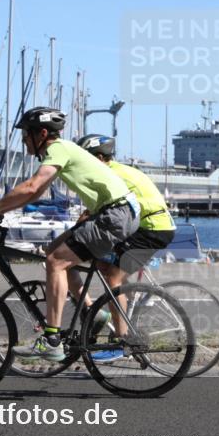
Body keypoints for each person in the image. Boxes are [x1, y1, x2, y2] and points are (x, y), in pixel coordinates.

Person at [0, 107, 138, 362]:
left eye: (26, 135)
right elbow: (35, 194)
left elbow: (32, 185)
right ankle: (91, 311)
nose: (24, 140)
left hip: (113, 215)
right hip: (114, 214)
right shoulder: (64, 150)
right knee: (52, 251)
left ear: (43, 134)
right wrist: (0, 210)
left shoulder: (57, 148)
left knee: (55, 262)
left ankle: (51, 340)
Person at [76, 134, 177, 362]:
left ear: (100, 158)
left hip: (152, 228)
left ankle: (122, 341)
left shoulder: (110, 175)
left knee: (113, 276)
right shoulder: (118, 170)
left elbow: (96, 212)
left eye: (87, 159)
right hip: (148, 226)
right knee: (103, 265)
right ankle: (123, 308)